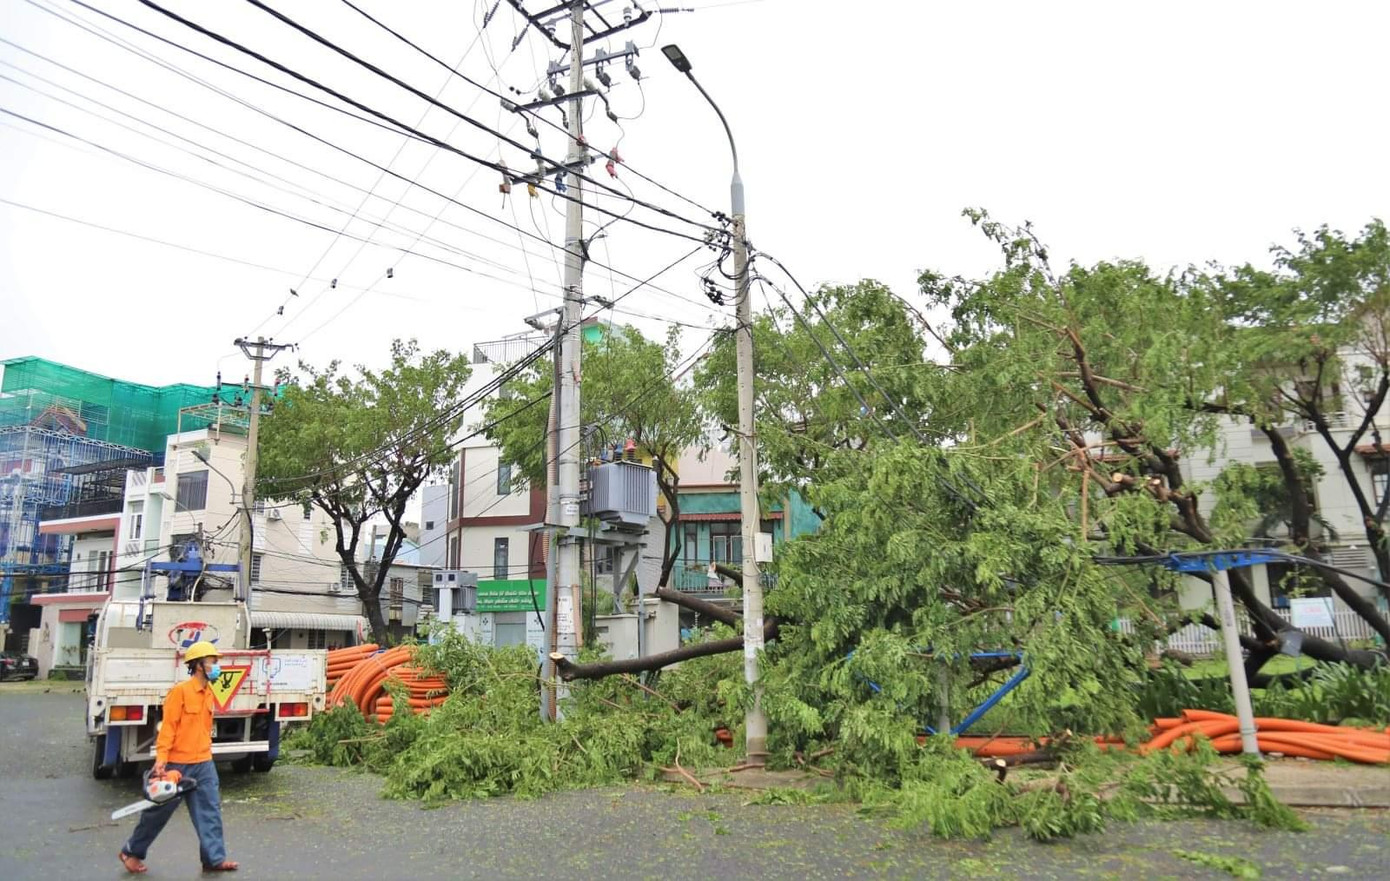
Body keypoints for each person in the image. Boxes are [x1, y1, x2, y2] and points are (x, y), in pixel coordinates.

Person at [118, 641, 238, 874]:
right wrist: (161, 760)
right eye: (213, 662)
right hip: (177, 765)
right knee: (157, 813)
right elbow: (168, 728)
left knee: (210, 812)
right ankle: (130, 852)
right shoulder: (180, 692)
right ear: (199, 665)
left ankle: (213, 859)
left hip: (204, 763)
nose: (217, 666)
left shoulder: (208, 694)